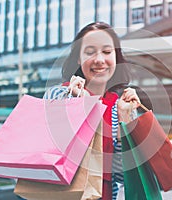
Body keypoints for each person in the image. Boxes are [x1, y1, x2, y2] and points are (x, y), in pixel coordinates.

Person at [43, 22, 141, 200]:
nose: (99, 60)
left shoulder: (121, 108)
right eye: (90, 52)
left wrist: (124, 123)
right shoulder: (59, 94)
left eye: (106, 51)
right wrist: (74, 104)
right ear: (79, 59)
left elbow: (122, 178)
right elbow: (50, 155)